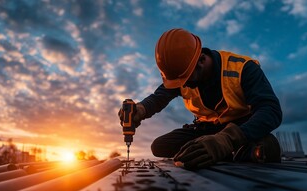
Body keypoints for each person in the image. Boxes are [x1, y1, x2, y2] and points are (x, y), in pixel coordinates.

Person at [119, 28, 282, 170]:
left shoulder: (243, 69)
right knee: (159, 146)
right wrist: (140, 109)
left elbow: (271, 110)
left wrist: (226, 140)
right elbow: (158, 98)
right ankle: (227, 151)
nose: (184, 85)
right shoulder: (184, 73)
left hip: (239, 128)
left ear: (202, 60)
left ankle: (241, 148)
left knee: (263, 148)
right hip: (205, 130)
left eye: (186, 79)